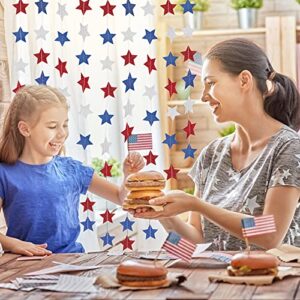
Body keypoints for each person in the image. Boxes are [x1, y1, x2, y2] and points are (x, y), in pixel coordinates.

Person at [133, 38, 300, 251]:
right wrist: (163, 214)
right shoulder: (212, 154)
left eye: (211, 83)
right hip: (220, 280)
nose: (204, 96)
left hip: (272, 280)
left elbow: (270, 234)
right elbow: (195, 239)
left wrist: (198, 205)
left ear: (244, 80)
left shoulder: (289, 147)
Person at [0, 85, 145, 256]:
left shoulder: (72, 169)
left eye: (65, 125)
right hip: (26, 263)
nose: (62, 134)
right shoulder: (5, 173)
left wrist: (129, 175)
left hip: (71, 260)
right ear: (25, 129)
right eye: (52, 126)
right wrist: (12, 244)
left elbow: (120, 198)